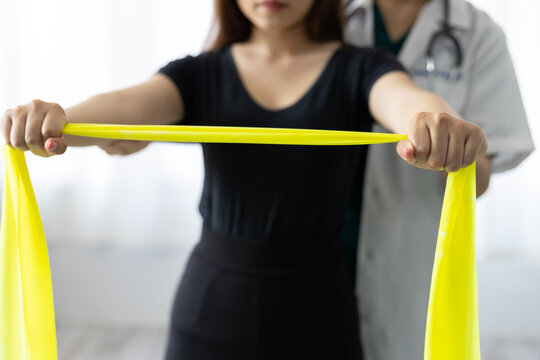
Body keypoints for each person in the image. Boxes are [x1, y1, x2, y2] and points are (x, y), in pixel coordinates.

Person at [1, 0, 489, 358]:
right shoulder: (200, 73)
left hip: (320, 310)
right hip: (211, 306)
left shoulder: (360, 67)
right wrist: (61, 117)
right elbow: (127, 109)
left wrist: (436, 120)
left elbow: (406, 100)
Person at [341, 0, 535, 359]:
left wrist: (459, 155)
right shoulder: (321, 15)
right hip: (318, 255)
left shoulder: (480, 35)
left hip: (412, 262)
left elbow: (482, 173)